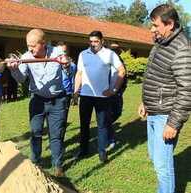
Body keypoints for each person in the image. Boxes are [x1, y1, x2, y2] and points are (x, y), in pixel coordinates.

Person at [138, 4, 191, 193]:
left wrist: (173, 123)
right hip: (153, 111)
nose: (151, 29)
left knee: (162, 166)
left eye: (155, 25)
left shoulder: (182, 49)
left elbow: (187, 90)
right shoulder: (161, 42)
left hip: (166, 116)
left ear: (169, 24)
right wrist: (145, 102)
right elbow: (154, 75)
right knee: (155, 158)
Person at [7, 29, 69, 177]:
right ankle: (35, 163)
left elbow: (68, 72)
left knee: (56, 135)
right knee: (35, 133)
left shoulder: (57, 53)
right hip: (37, 101)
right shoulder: (26, 57)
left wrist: (66, 65)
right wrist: (14, 70)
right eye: (28, 45)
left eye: (33, 45)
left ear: (43, 43)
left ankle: (58, 166)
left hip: (57, 101)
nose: (30, 48)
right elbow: (21, 79)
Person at [74, 31, 125, 162]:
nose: (93, 44)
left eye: (96, 41)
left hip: (103, 97)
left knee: (102, 125)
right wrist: (75, 92)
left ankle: (102, 152)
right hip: (85, 95)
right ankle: (83, 150)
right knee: (84, 124)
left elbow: (121, 71)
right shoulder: (83, 54)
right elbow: (79, 73)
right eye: (91, 41)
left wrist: (113, 89)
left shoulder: (109, 54)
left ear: (102, 41)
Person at [106, 43, 127, 149]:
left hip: (117, 93)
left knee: (117, 113)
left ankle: (105, 126)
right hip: (105, 93)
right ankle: (110, 139)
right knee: (107, 117)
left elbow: (124, 79)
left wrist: (119, 91)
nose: (115, 52)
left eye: (116, 50)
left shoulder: (121, 63)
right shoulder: (105, 62)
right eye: (113, 50)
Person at [56, 41, 77, 128]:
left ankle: (60, 138)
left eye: (64, 51)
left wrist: (74, 94)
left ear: (67, 52)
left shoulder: (72, 65)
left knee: (63, 117)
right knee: (54, 118)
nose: (62, 54)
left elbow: (73, 79)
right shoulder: (53, 65)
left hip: (67, 94)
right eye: (59, 52)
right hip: (55, 94)